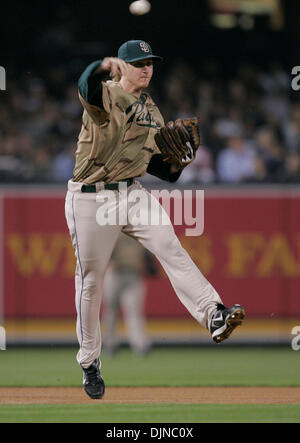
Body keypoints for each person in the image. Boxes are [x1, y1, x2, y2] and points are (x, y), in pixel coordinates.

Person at [65, 40, 245, 400]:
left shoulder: (153, 112)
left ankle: (213, 314)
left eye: (150, 62)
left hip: (131, 193)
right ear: (123, 67)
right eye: (139, 62)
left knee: (170, 247)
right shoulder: (107, 95)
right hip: (91, 196)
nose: (147, 68)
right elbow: (84, 84)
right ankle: (89, 361)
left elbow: (164, 171)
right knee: (90, 284)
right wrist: (101, 66)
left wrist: (183, 160)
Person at [102, 233, 151, 356]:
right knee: (111, 310)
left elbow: (147, 254)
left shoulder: (139, 232)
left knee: (134, 311)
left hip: (134, 275)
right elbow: (103, 251)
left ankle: (140, 345)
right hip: (115, 274)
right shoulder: (114, 232)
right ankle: (110, 344)